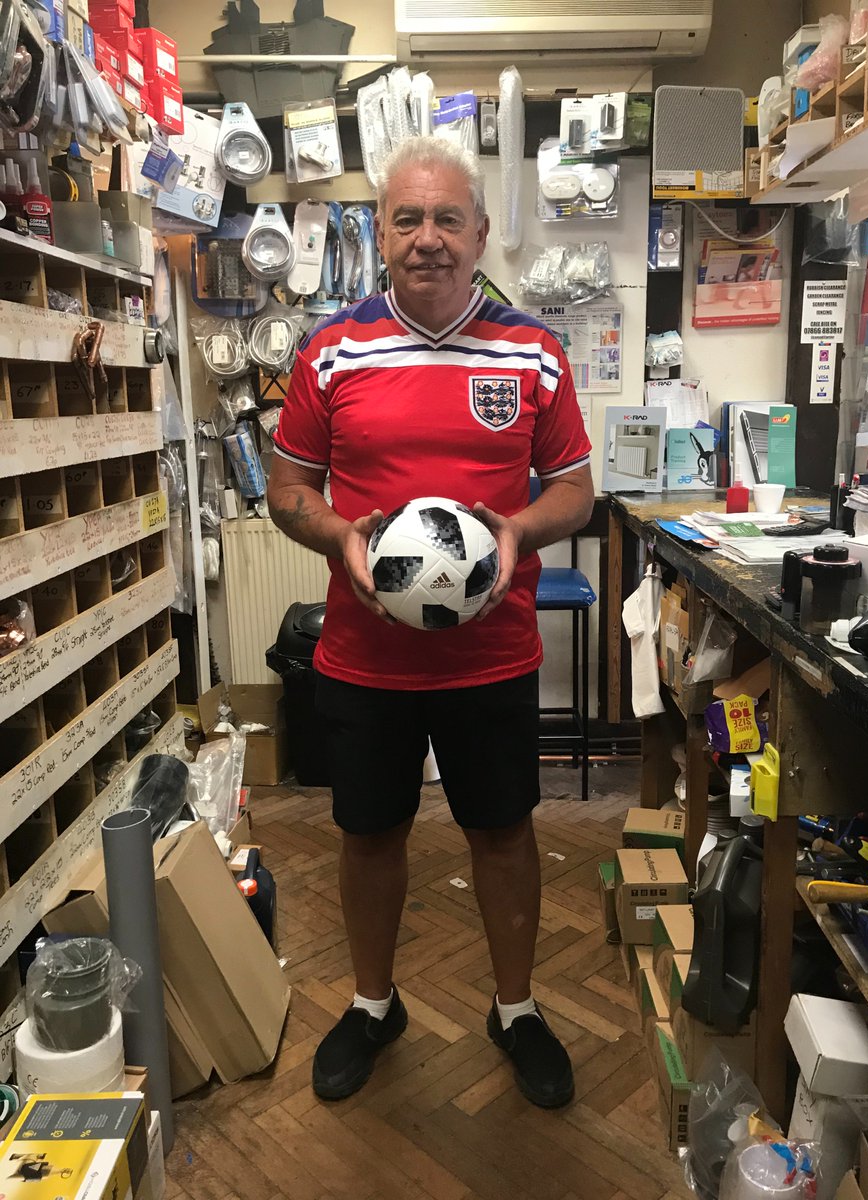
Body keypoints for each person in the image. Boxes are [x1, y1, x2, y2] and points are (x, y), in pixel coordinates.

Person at [268, 137, 594, 1109]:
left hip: (491, 653)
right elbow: (288, 491)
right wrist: (342, 541)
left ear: (480, 234)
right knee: (369, 834)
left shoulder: (533, 351)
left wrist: (515, 531)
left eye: (447, 218)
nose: (428, 239)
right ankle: (374, 1005)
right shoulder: (331, 352)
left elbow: (575, 491)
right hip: (364, 657)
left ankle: (516, 1007)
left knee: (502, 833)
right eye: (407, 218)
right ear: (379, 233)